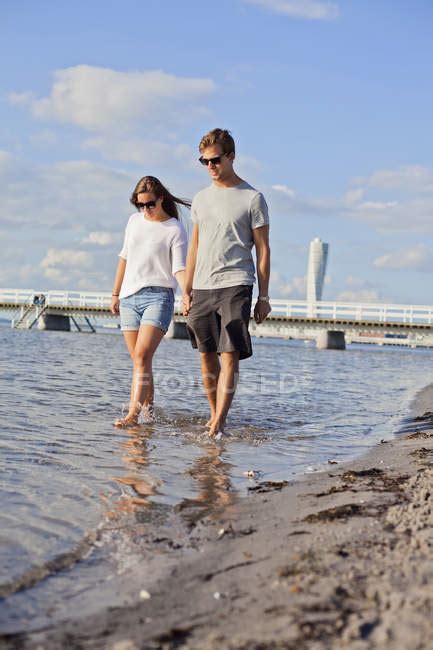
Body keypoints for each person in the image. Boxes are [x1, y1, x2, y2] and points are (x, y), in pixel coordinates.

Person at [183, 129, 271, 438]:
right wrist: (186, 289)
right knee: (206, 355)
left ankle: (220, 421)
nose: (210, 166)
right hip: (203, 286)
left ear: (231, 156)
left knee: (229, 353)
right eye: (204, 161)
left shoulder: (252, 198)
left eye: (215, 160)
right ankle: (213, 414)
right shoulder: (200, 199)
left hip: (236, 282)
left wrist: (264, 296)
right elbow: (194, 246)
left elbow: (263, 248)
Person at [111, 176, 189, 427]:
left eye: (149, 204)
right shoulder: (134, 222)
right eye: (140, 205)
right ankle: (149, 415)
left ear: (161, 199)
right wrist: (115, 293)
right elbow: (124, 257)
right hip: (129, 298)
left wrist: (187, 293)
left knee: (142, 356)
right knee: (140, 360)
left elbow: (179, 268)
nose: (145, 210)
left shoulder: (174, 228)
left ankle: (133, 416)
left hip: (159, 297)